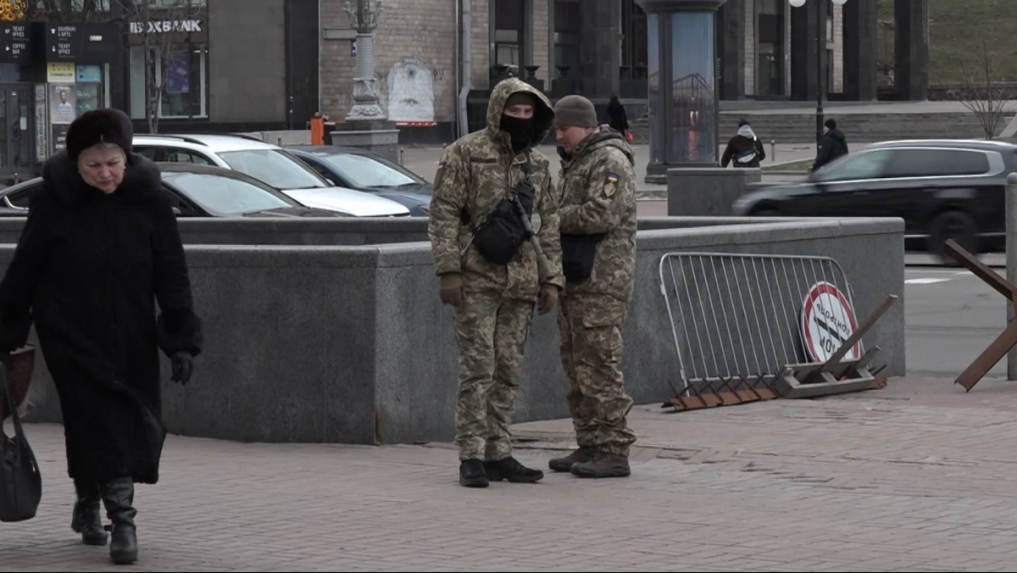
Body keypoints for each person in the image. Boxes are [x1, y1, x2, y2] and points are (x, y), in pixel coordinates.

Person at [0, 109, 203, 565]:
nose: (105, 173)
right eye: (94, 165)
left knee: (105, 422)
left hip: (131, 332)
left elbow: (172, 273)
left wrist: (180, 339)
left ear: (127, 159)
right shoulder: (53, 203)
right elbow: (24, 271)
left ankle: (88, 502)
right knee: (102, 416)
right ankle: (123, 521)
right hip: (68, 332)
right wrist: (7, 330)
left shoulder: (150, 202)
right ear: (76, 165)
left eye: (113, 162)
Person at [428, 77, 564, 489]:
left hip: (520, 281)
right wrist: (448, 271)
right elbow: (444, 213)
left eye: (528, 113)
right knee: (477, 368)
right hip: (477, 278)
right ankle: (471, 454)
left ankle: (498, 451)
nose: (520, 119)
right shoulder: (465, 153)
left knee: (508, 369)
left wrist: (551, 279)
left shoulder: (536, 165)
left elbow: (550, 224)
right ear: (497, 111)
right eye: (514, 111)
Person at [548, 95, 638, 479]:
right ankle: (589, 442)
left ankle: (614, 449)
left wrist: (551, 217)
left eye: (563, 128)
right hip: (577, 278)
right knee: (576, 366)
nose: (559, 136)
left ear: (584, 126)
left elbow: (601, 214)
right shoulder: (578, 160)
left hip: (603, 280)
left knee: (599, 365)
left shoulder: (609, 160)